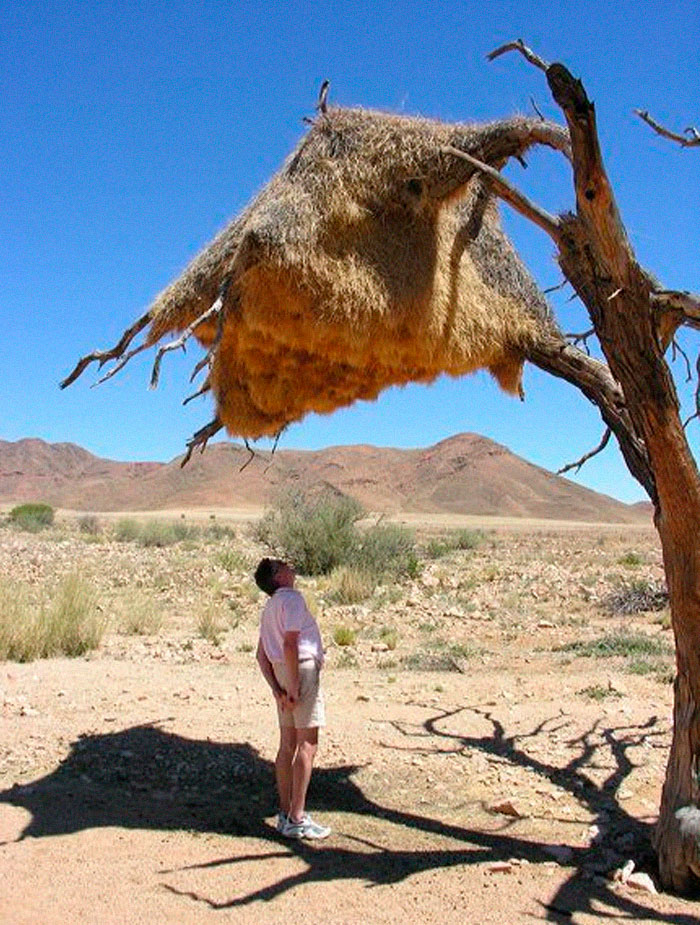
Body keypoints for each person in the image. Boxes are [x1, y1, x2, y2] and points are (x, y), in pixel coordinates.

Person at [254, 557, 331, 839]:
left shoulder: (269, 607)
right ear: (278, 576)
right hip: (300, 670)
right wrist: (296, 687)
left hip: (280, 673)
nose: (290, 567)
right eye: (283, 565)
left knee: (286, 745)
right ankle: (298, 818)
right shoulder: (293, 600)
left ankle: (286, 814)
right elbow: (290, 642)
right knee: (307, 744)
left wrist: (277, 689)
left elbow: (261, 655)